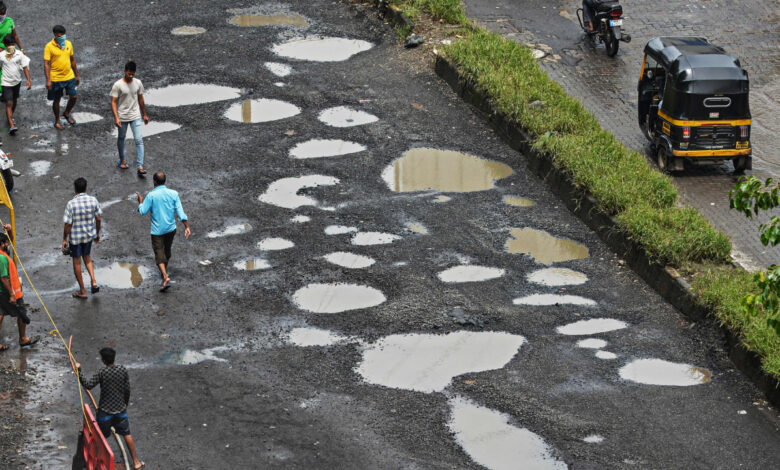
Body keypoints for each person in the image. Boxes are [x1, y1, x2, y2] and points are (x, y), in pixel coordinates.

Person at [76, 348, 145, 470]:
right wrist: (125, 404)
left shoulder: (102, 372)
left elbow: (88, 385)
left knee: (100, 439)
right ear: (114, 358)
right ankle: (136, 462)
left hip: (105, 412)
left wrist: (79, 370)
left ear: (103, 360)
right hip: (120, 411)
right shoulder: (122, 370)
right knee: (127, 434)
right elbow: (127, 389)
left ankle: (97, 465)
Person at [136, 172, 190, 292]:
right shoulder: (174, 194)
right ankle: (164, 272)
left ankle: (165, 277)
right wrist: (187, 226)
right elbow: (180, 213)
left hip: (157, 231)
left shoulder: (151, 196)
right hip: (171, 229)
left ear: (155, 181)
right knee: (167, 251)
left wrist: (140, 202)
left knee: (159, 252)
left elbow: (143, 211)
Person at [62, 177, 101, 299]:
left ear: (75, 189)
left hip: (76, 238)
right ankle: (94, 281)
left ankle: (83, 291)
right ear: (86, 188)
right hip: (88, 236)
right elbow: (98, 218)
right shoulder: (93, 200)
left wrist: (64, 239)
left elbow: (68, 224)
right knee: (87, 257)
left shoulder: (71, 204)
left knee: (77, 262)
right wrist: (97, 233)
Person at [111, 61, 149, 176]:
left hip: (135, 116)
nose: (131, 76)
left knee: (138, 140)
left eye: (132, 74)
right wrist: (116, 118)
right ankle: (122, 160)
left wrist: (144, 114)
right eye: (129, 73)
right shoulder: (117, 85)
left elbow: (141, 99)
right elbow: (113, 102)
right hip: (122, 116)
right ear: (124, 71)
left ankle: (140, 166)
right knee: (121, 138)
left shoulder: (138, 83)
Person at [0, 232, 37, 351]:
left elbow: (10, 241)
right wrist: (11, 294)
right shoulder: (2, 258)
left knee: (0, 315)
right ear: (2, 244)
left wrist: (10, 231)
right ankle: (23, 338)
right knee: (22, 314)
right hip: (9, 292)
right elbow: (3, 278)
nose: (8, 244)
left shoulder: (3, 254)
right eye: (6, 243)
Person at [44, 24, 80, 130]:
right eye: (60, 35)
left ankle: (67, 112)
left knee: (74, 96)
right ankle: (57, 120)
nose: (63, 37)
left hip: (69, 76)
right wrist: (48, 80)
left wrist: (77, 75)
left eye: (64, 35)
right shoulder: (49, 46)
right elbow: (46, 64)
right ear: (55, 35)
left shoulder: (68, 44)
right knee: (57, 100)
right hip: (56, 78)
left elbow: (72, 60)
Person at [0, 36, 30, 135]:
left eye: (12, 44)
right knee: (9, 103)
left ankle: (10, 117)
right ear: (5, 45)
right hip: (6, 83)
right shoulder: (1, 56)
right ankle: (11, 124)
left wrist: (28, 80)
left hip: (17, 82)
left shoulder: (19, 54)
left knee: (14, 101)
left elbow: (25, 67)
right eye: (9, 45)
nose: (11, 46)